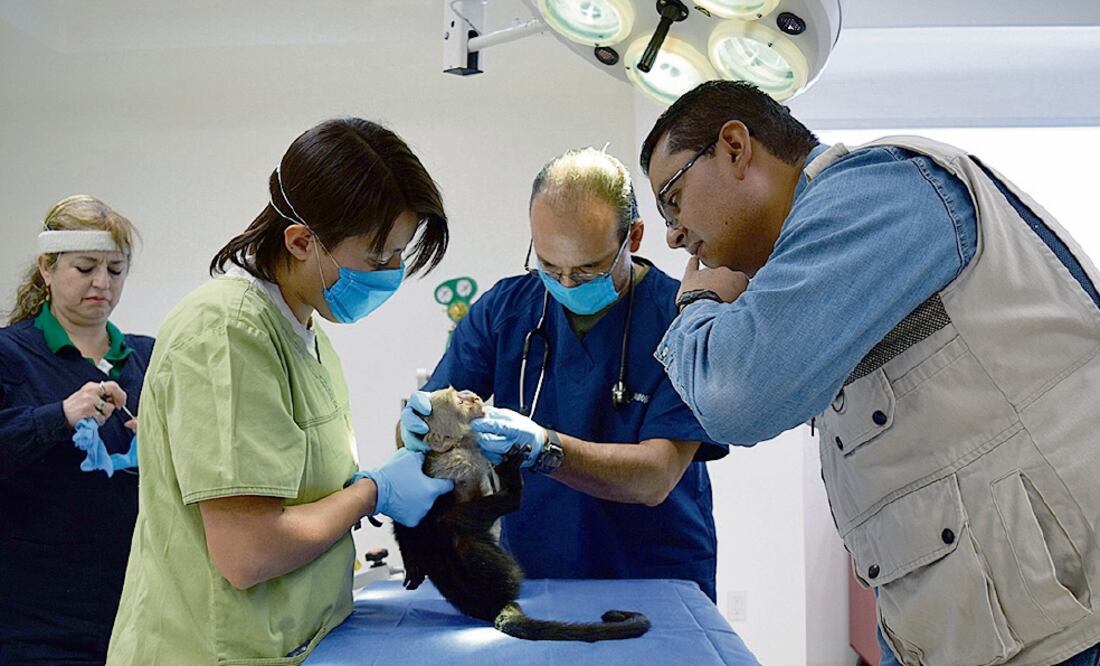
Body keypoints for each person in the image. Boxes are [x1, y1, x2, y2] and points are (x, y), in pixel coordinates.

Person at [639, 79, 1100, 666]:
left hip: (1066, 630)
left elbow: (734, 397)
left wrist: (697, 305)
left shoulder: (878, 193)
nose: (675, 234)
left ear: (734, 146)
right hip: (963, 631)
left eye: (673, 200)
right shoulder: (824, 248)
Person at [106, 118, 455, 664]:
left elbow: (305, 495)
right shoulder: (225, 331)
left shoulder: (305, 335)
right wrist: (375, 492)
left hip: (297, 642)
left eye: (399, 256)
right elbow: (248, 551)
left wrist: (394, 461)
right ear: (300, 241)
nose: (391, 273)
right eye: (378, 257)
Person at [402, 148, 727, 602]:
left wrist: (545, 449)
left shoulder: (683, 320)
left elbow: (655, 476)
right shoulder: (505, 312)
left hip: (656, 577)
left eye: (587, 269)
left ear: (633, 237)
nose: (567, 284)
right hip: (535, 574)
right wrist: (420, 428)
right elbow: (433, 422)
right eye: (550, 267)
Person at [0, 195, 151, 664]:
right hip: (37, 627)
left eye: (115, 269)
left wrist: (162, 435)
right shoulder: (10, 356)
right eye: (85, 268)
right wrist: (59, 416)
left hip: (136, 613)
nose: (101, 283)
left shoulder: (149, 359)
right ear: (47, 267)